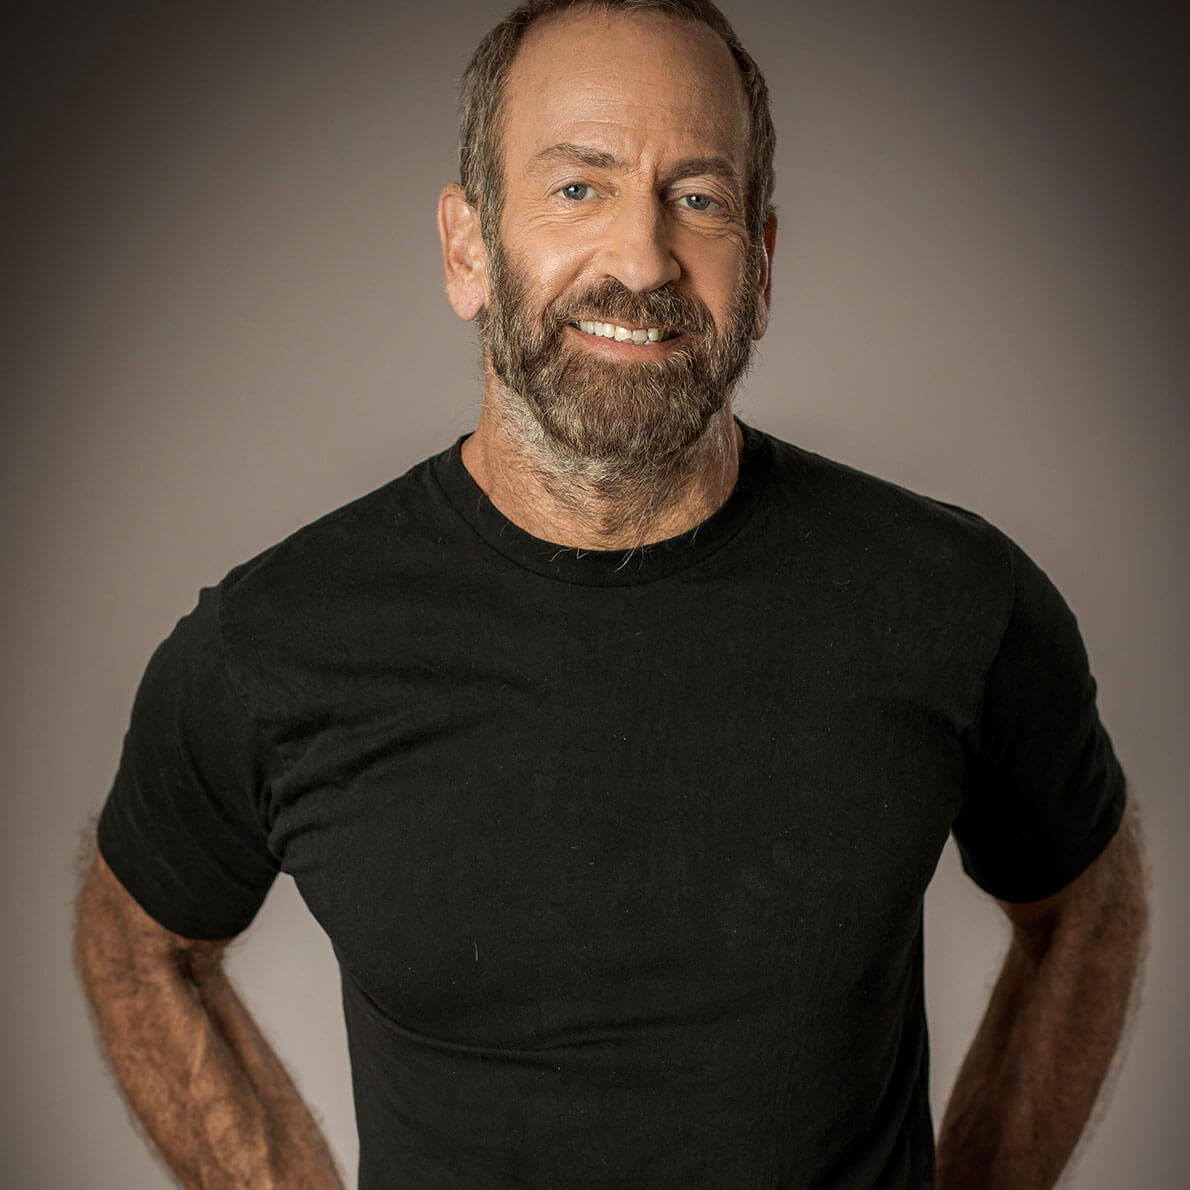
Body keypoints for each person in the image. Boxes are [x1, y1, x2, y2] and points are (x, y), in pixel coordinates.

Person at [74, 2, 1148, 1187]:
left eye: (697, 197)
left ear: (762, 262)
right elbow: (136, 935)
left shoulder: (950, 600)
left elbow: (1083, 899)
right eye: (577, 189)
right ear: (467, 247)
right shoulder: (273, 644)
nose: (642, 261)